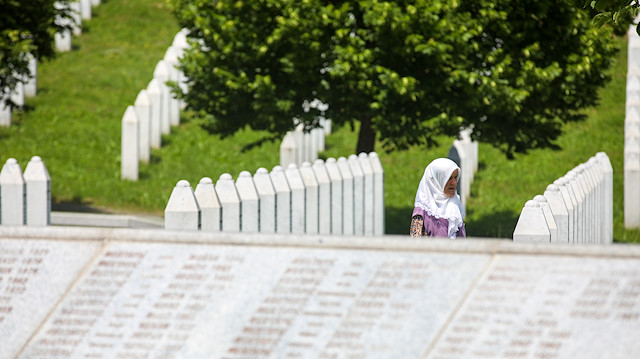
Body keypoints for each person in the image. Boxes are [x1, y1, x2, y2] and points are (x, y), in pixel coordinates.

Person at [410, 158, 466, 238]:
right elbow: (415, 244)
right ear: (436, 181)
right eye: (449, 178)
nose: (454, 182)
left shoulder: (455, 204)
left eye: (455, 177)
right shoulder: (422, 214)